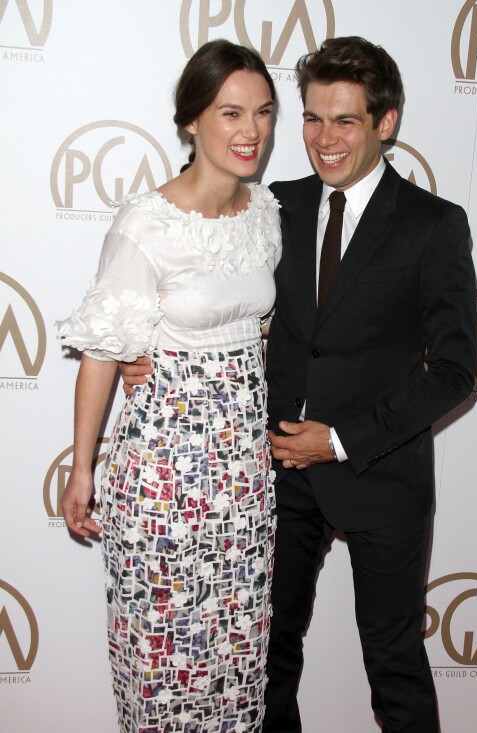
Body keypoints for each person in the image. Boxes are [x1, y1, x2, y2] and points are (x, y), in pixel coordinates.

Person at [122, 36, 477, 733]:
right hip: (277, 478)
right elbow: (215, 292)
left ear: (387, 122)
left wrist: (341, 440)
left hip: (383, 475)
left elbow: (455, 372)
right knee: (266, 658)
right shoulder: (272, 208)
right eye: (313, 118)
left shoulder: (435, 226)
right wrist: (151, 352)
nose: (325, 138)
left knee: (394, 664)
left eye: (345, 120)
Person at [58, 39, 281, 733]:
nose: (251, 132)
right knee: (161, 664)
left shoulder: (267, 215)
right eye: (230, 113)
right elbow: (103, 350)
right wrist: (81, 467)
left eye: (264, 113)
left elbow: (263, 332)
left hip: (243, 482)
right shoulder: (145, 223)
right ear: (190, 122)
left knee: (237, 660)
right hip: (162, 478)